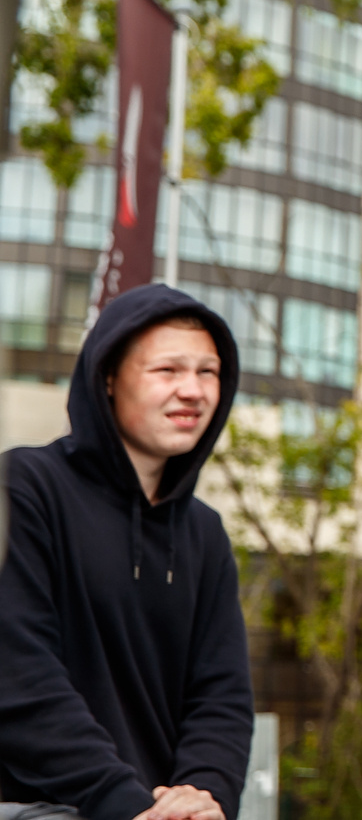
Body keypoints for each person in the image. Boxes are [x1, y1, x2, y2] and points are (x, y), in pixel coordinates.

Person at [0, 285, 253, 820]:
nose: (192, 390)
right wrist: (123, 802)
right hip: (43, 806)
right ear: (108, 378)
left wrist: (205, 795)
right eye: (167, 371)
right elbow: (18, 672)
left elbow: (222, 697)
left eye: (208, 372)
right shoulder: (24, 488)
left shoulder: (205, 532)